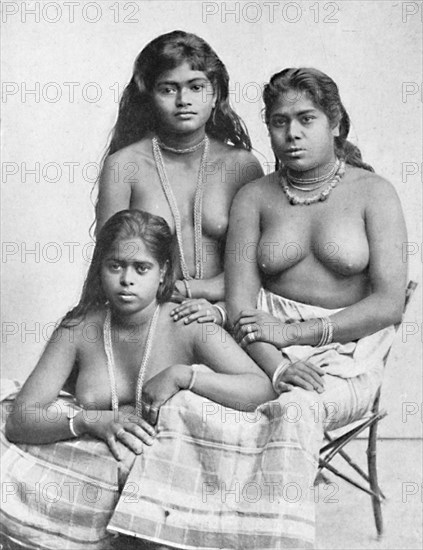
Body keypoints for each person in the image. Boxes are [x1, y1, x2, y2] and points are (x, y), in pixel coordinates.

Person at [2, 209, 275, 550]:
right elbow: (21, 419)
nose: (126, 279)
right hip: (89, 477)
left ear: (163, 273)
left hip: (167, 483)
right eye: (115, 265)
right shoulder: (80, 328)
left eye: (141, 268)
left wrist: (183, 375)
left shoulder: (186, 323)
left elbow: (260, 388)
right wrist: (89, 419)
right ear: (99, 268)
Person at [224, 67, 407, 547]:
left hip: (346, 357)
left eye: (306, 118)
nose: (292, 133)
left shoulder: (375, 193)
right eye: (279, 121)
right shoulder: (253, 198)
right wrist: (278, 365)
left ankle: (274, 541)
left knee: (297, 410)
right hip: (260, 352)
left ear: (337, 124)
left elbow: (388, 303)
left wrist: (300, 336)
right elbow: (239, 303)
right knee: (188, 400)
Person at [95, 30, 263, 327]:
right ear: (148, 96)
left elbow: (255, 270)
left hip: (226, 312)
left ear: (216, 95)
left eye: (196, 87)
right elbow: (110, 265)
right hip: (148, 316)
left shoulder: (242, 165)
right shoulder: (124, 165)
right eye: (168, 89)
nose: (183, 100)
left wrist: (189, 292)